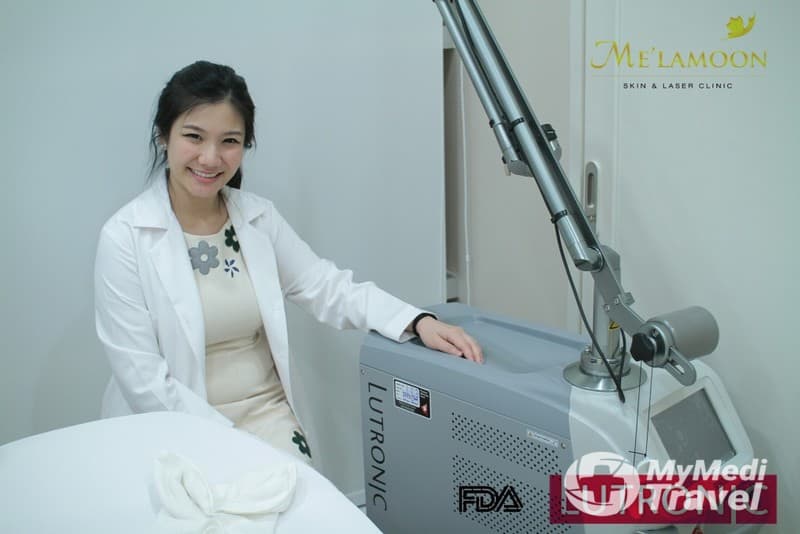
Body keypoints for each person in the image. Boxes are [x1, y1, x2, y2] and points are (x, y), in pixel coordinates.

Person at [94, 60, 482, 464]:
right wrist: (228, 446)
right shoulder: (125, 237)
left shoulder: (257, 219)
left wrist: (416, 321)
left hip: (265, 413)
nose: (210, 158)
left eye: (229, 141)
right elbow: (143, 381)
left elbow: (325, 286)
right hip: (177, 423)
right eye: (194, 136)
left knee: (298, 493)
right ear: (163, 135)